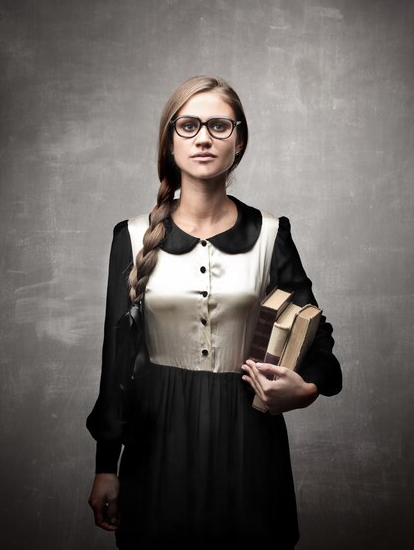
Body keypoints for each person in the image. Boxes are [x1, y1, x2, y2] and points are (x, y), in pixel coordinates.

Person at [86, 75, 342, 549]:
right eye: (188, 125)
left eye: (219, 125)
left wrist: (305, 389)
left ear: (239, 140)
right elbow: (116, 362)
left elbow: (319, 340)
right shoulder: (131, 235)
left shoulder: (271, 233)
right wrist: (106, 465)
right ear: (169, 141)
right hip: (157, 437)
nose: (203, 137)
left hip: (249, 435)